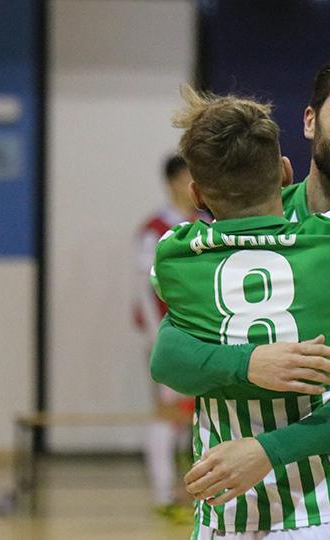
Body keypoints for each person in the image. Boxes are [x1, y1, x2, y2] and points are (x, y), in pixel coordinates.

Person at [151, 50, 330, 538]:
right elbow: (170, 355)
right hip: (231, 515)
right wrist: (250, 363)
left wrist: (268, 449)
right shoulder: (262, 223)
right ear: (310, 121)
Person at [134, 154, 205, 523]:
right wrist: (154, 337)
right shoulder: (155, 229)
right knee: (167, 414)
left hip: (199, 337)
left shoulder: (204, 224)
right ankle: (163, 494)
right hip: (168, 336)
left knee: (193, 418)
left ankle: (188, 494)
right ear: (176, 181)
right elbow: (146, 291)